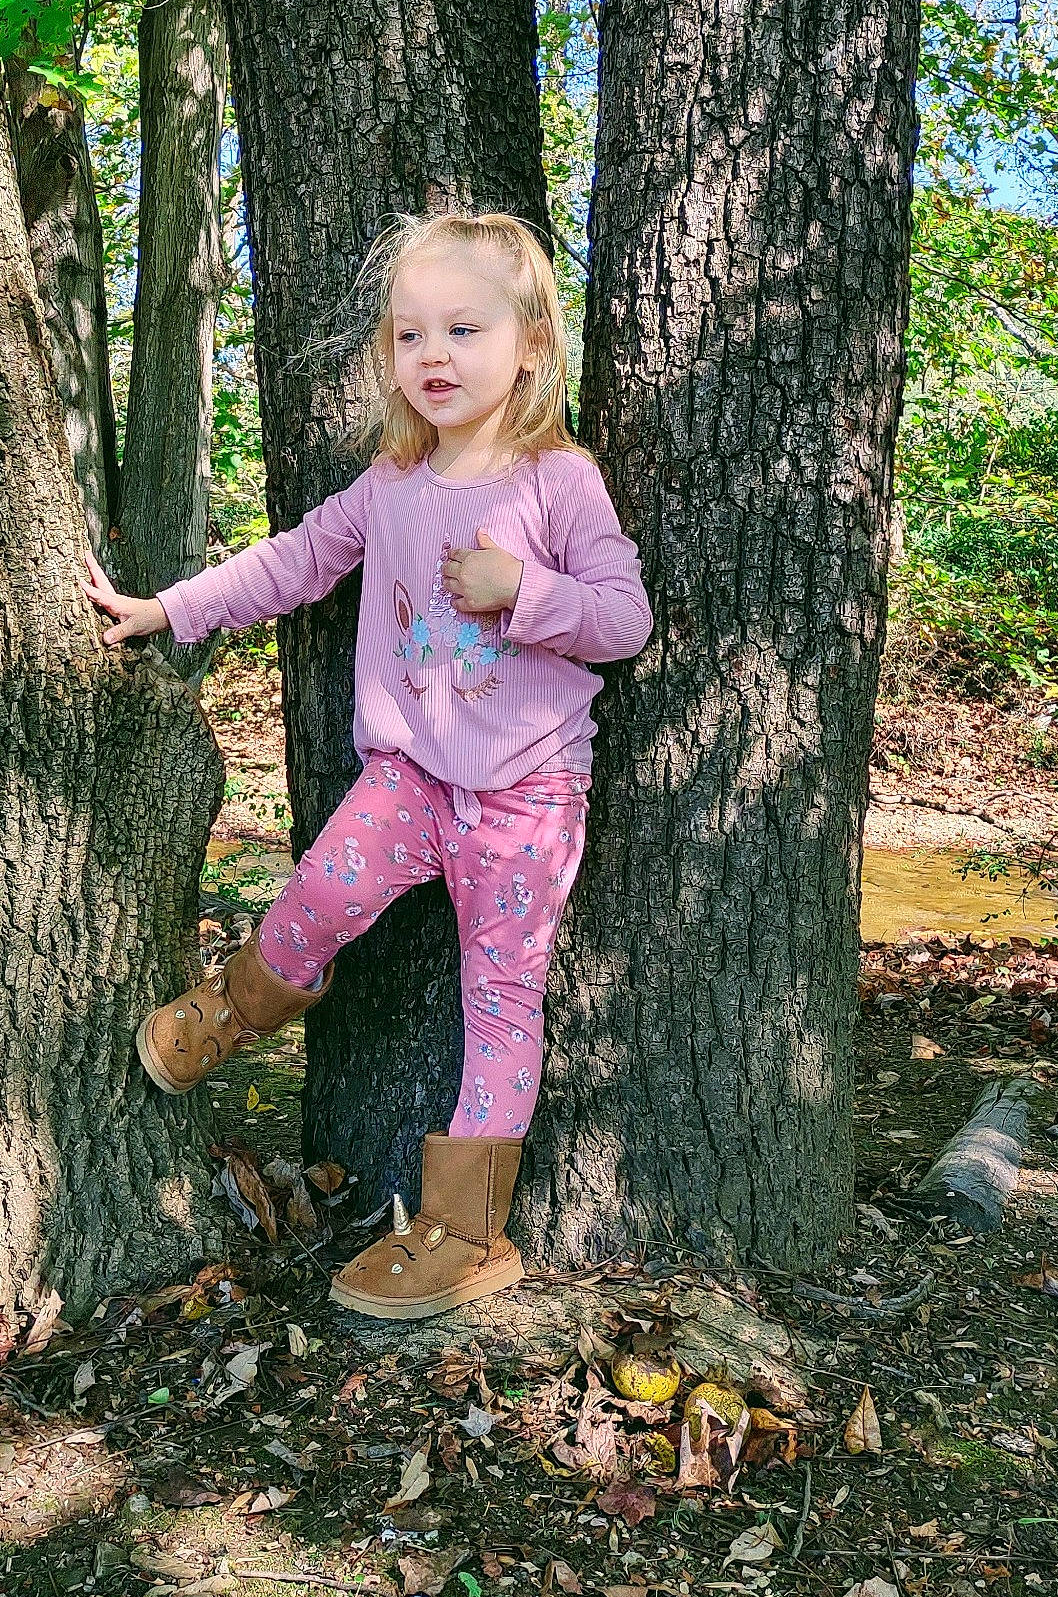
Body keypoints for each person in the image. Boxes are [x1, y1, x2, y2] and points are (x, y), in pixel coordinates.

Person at [80, 211, 652, 1320]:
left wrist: (523, 594)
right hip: (407, 783)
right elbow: (295, 561)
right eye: (409, 334)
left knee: (502, 1002)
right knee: (315, 897)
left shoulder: (558, 480)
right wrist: (170, 608)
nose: (432, 355)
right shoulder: (389, 484)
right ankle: (232, 1012)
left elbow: (622, 618)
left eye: (463, 329)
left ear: (532, 343)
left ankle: (464, 1230)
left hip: (529, 796)